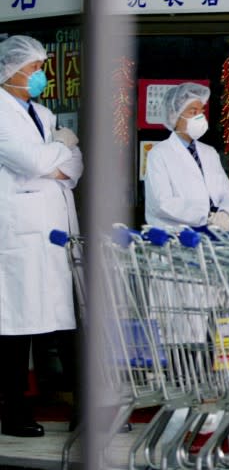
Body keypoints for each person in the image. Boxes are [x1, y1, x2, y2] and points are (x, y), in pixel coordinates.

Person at [0, 35, 83, 437]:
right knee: (18, 328)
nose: (40, 75)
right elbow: (32, 161)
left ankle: (84, 410)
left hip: (54, 232)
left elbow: (75, 166)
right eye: (34, 68)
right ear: (9, 70)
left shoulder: (45, 114)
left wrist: (58, 155)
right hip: (21, 235)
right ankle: (14, 414)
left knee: (65, 321)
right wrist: (58, 152)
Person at [144, 82, 229, 230]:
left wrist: (226, 213)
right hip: (177, 238)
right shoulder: (159, 154)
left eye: (201, 111)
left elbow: (228, 195)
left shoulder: (209, 153)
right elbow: (161, 203)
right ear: (174, 115)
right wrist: (207, 216)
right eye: (193, 111)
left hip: (215, 235)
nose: (200, 117)